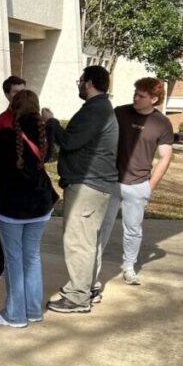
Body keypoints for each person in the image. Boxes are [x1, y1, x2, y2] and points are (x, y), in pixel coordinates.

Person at [42, 65, 119, 313]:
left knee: (79, 242)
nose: (78, 84)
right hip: (93, 184)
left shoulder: (96, 110)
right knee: (85, 240)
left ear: (88, 83)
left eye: (81, 80)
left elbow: (70, 141)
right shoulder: (99, 109)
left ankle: (78, 297)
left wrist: (51, 122)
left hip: (89, 185)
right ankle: (83, 286)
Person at [0, 90, 59, 327]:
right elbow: (48, 158)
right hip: (39, 204)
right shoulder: (43, 133)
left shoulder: (4, 135)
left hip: (11, 206)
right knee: (32, 256)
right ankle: (33, 310)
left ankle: (15, 314)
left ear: (13, 108)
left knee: (14, 258)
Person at [94, 77, 174, 290]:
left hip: (138, 184)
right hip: (111, 181)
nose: (135, 98)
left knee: (133, 229)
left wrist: (151, 186)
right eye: (135, 94)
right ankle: (92, 269)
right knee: (102, 227)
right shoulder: (120, 112)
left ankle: (129, 267)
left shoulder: (162, 123)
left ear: (154, 99)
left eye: (141, 96)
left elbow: (165, 157)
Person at [0, 76, 28, 279]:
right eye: (15, 92)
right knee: (1, 223)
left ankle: (21, 264)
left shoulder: (33, 120)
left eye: (23, 91)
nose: (20, 96)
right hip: (5, 183)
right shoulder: (0, 122)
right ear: (6, 94)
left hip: (28, 183)